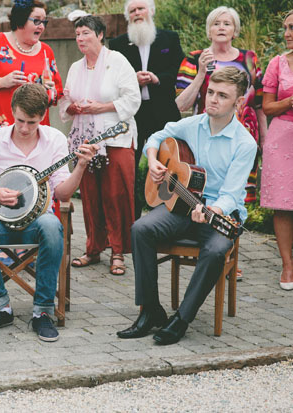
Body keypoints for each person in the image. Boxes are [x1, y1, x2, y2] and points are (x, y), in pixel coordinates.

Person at [117, 67, 257, 345]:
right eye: (211, 92)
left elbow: (231, 194)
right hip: (182, 204)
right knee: (140, 229)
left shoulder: (245, 144)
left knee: (217, 249)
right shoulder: (192, 124)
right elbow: (157, 136)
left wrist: (214, 211)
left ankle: (182, 318)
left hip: (218, 214)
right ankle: (150, 310)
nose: (213, 100)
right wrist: (155, 160)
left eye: (222, 96)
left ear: (238, 102)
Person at [0, 84, 98, 342]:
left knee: (53, 228)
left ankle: (42, 312)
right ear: (12, 112)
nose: (25, 128)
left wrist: (81, 167)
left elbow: (63, 194)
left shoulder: (54, 140)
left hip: (37, 219)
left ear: (42, 116)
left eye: (32, 122)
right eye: (20, 120)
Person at [59, 14, 141, 276]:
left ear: (100, 35)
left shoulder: (117, 61)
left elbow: (133, 99)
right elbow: (65, 102)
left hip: (116, 137)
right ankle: (94, 248)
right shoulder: (75, 67)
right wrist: (74, 107)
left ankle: (118, 252)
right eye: (77, 34)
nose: (80, 39)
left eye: (85, 33)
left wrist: (101, 107)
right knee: (90, 194)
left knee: (116, 195)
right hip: (86, 139)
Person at [176, 6, 266, 207]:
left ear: (235, 30)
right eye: (216, 24)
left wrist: (265, 138)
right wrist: (200, 73)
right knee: (203, 190)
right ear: (209, 30)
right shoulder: (195, 58)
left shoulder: (249, 59)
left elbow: (259, 103)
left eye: (227, 23)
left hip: (243, 137)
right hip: (207, 136)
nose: (221, 27)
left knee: (236, 195)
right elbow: (181, 104)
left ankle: (230, 232)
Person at [109, 0, 185, 217]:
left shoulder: (170, 38)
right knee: (129, 167)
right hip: (132, 115)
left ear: (151, 11)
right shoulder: (117, 44)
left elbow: (179, 72)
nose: (137, 13)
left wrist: (156, 78)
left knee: (167, 166)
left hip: (163, 112)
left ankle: (164, 216)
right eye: (132, 11)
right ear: (128, 17)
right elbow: (112, 79)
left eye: (141, 9)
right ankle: (132, 220)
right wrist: (132, 79)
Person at [0, 0, 63, 138]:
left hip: (33, 131)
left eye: (44, 22)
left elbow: (57, 92)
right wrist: (2, 81)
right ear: (21, 20)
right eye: (36, 21)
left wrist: (49, 92)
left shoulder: (46, 52)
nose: (41, 26)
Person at [260, 10, 293, 290]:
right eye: (285, 28)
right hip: (282, 136)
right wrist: (291, 100)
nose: (287, 34)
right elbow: (267, 107)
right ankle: (287, 266)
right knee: (282, 205)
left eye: (292, 28)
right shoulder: (277, 63)